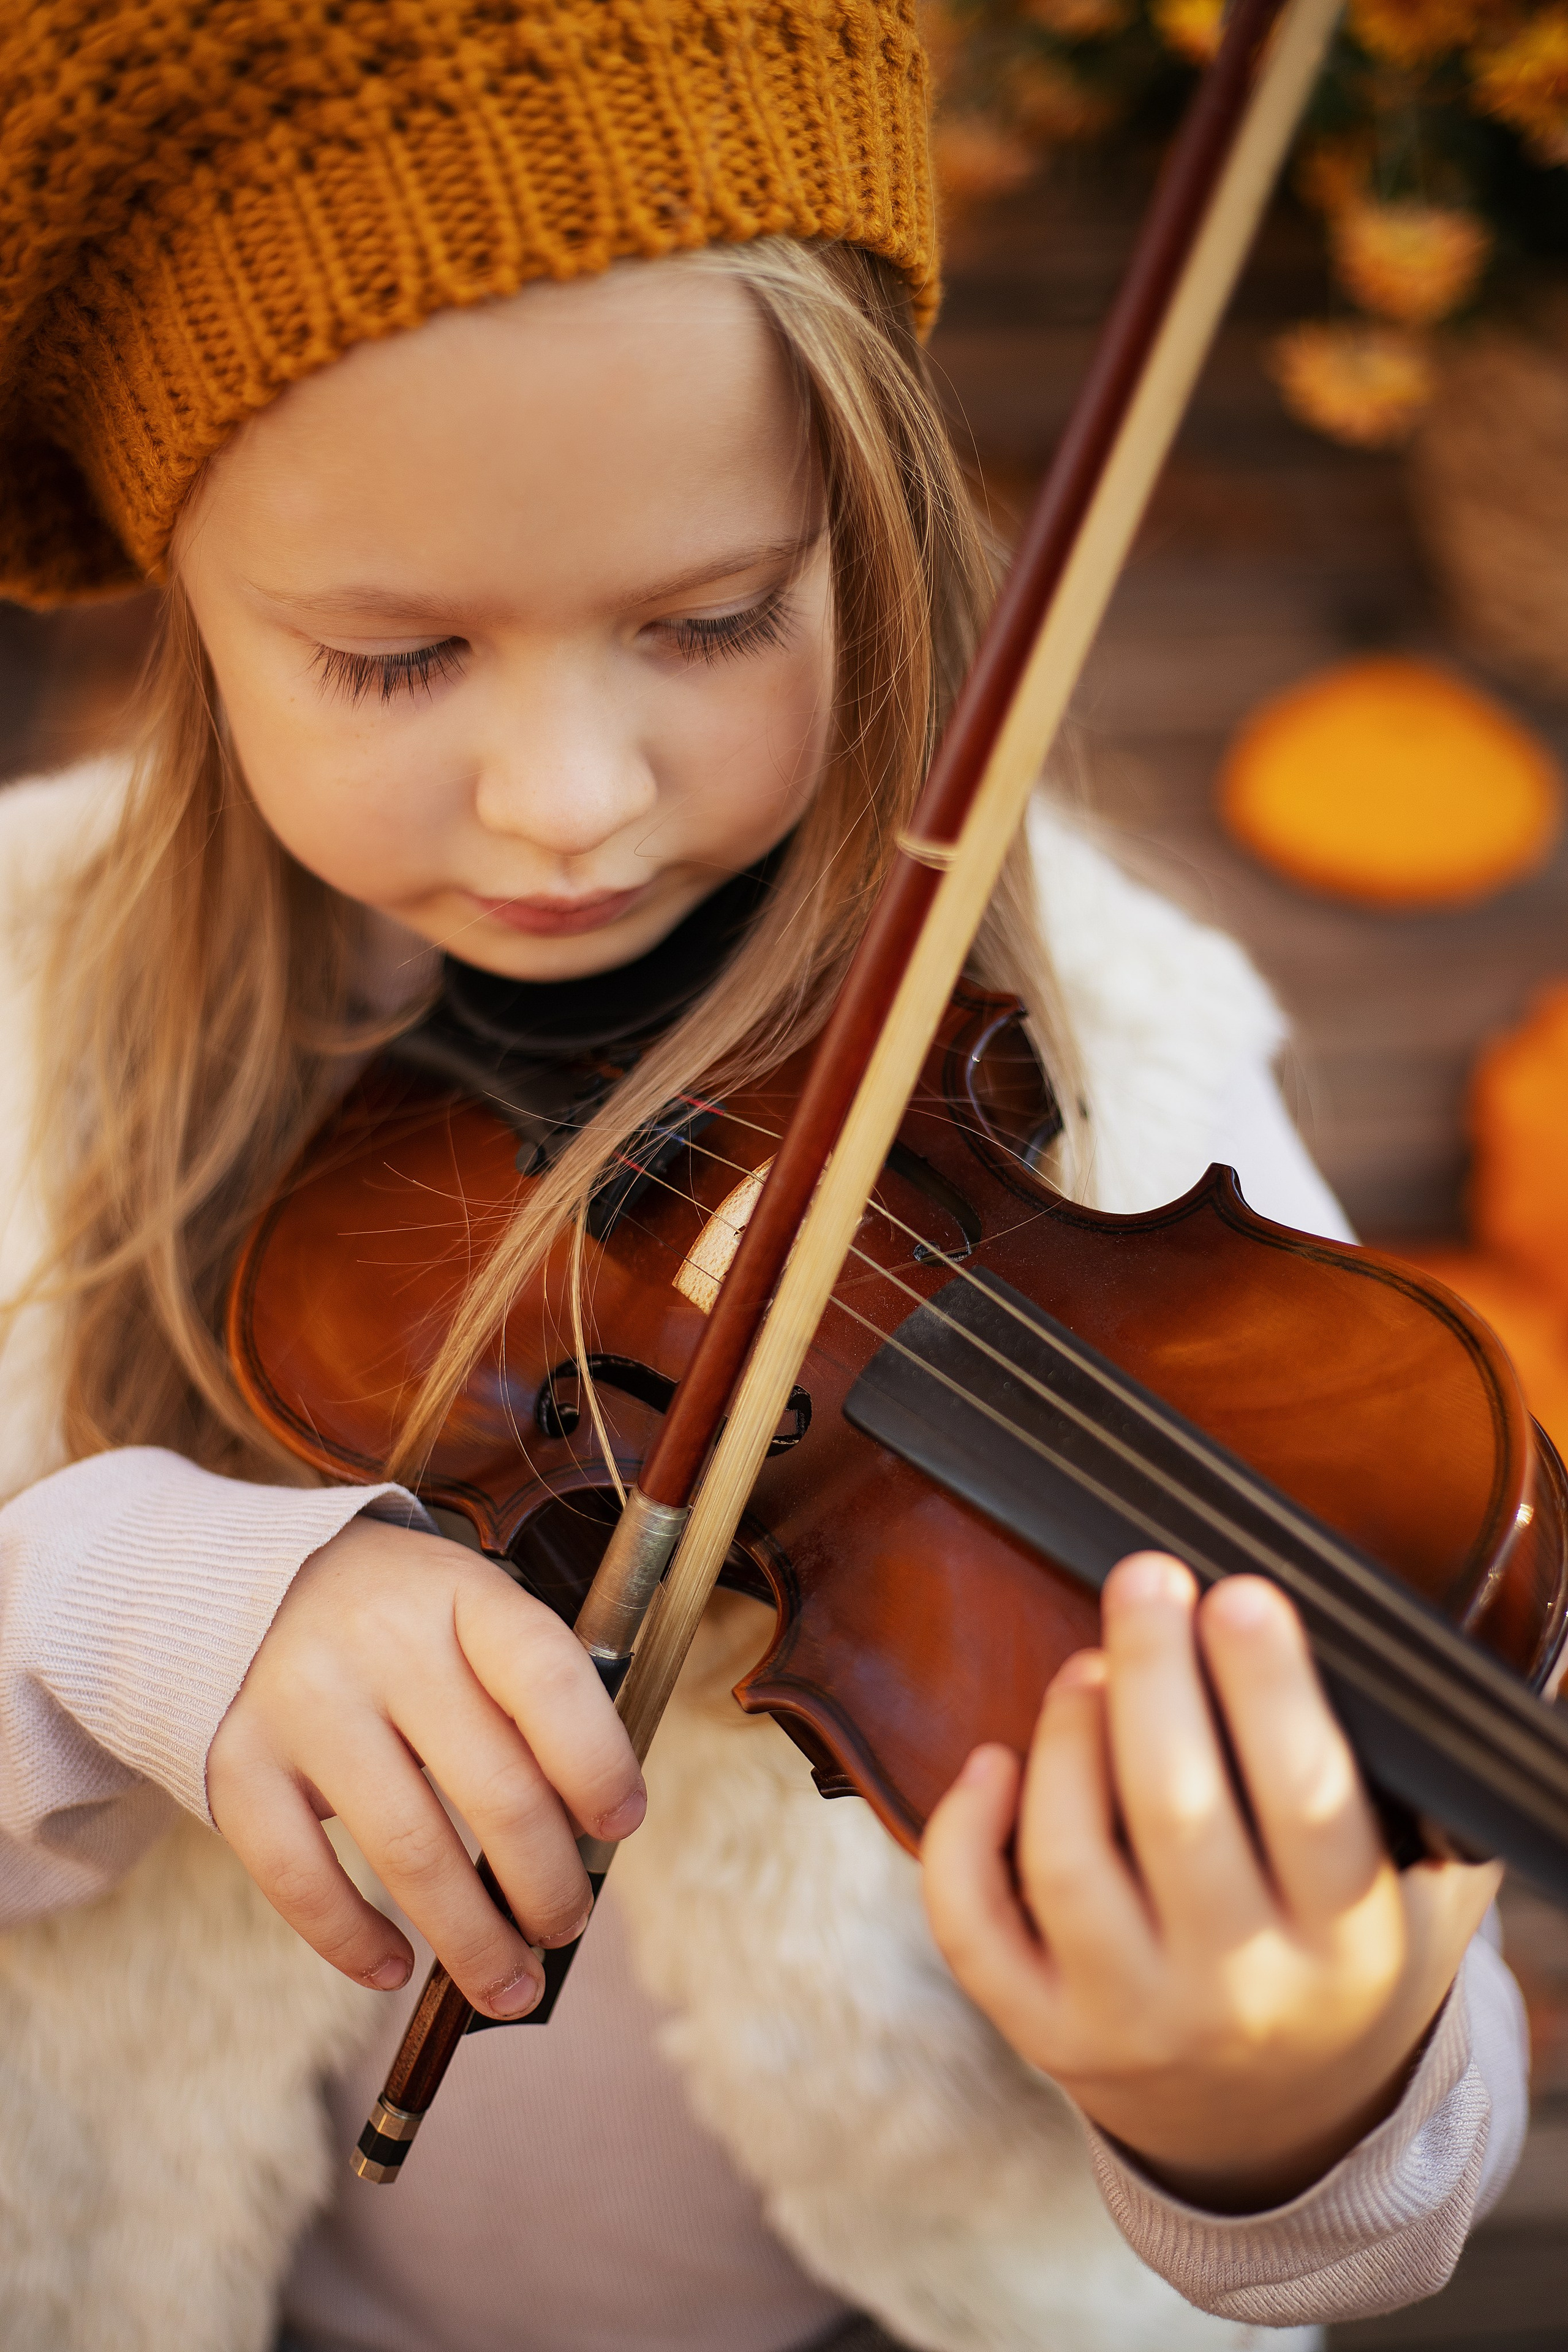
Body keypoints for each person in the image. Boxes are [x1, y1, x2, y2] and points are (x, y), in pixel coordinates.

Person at [0, 6, 1529, 2350]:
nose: (570, 799)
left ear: (880, 543)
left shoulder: (1124, 1057)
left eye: (711, 622)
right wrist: (113, 1595)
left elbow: (1382, 2220)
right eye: (397, 659)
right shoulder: (27, 1003)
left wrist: (1293, 2098)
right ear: (186, 608)